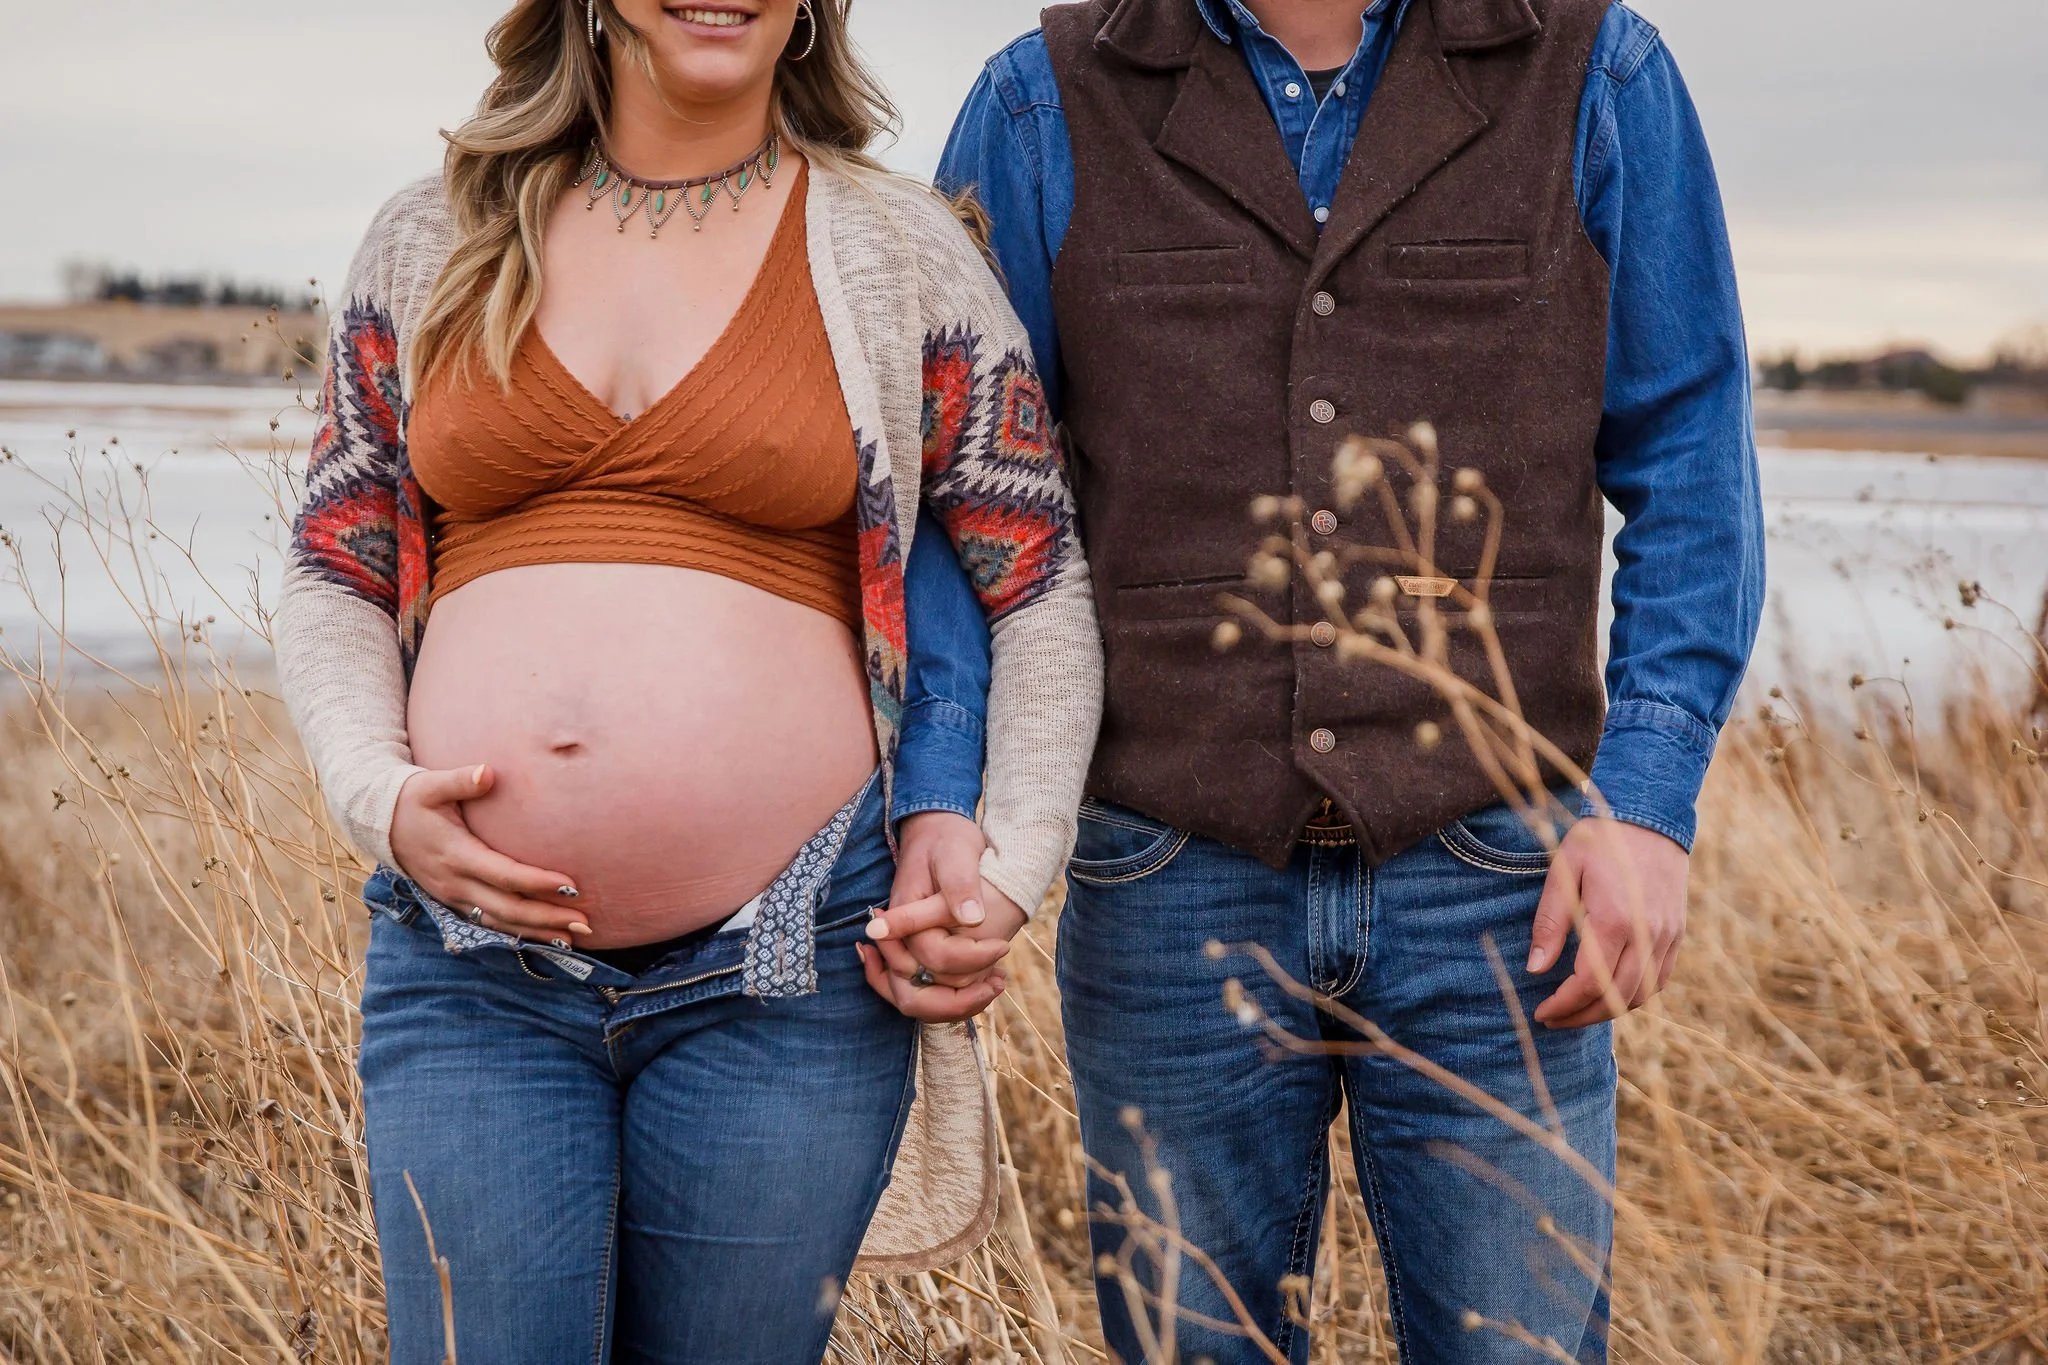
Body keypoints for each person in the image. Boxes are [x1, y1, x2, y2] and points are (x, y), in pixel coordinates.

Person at [867, 0, 1766, 1359]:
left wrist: (1642, 803)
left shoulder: (1597, 70)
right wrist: (942, 793)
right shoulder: (1042, 98)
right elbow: (965, 495)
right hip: (1168, 873)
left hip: (1502, 877)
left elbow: (1690, 449)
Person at [272, 0, 1102, 1359]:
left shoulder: (897, 251)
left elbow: (1040, 588)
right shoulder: (437, 236)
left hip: (791, 967)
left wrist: (1010, 869)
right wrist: (379, 793)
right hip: (474, 971)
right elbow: (334, 564)